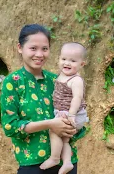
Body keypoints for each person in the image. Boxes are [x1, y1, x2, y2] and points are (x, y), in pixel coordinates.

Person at [0, 24, 86, 174]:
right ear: (20, 48)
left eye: (44, 49)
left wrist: (72, 127)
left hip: (66, 164)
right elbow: (10, 126)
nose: (39, 54)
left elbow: (78, 112)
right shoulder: (13, 82)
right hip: (33, 165)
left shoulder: (57, 80)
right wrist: (50, 124)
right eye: (33, 48)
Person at [39, 42, 88, 174]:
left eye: (73, 61)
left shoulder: (76, 80)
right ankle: (67, 163)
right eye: (64, 59)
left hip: (73, 114)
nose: (67, 63)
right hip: (64, 112)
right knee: (64, 139)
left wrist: (71, 114)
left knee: (54, 131)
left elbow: (77, 98)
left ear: (81, 64)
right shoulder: (61, 75)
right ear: (58, 59)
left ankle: (55, 158)